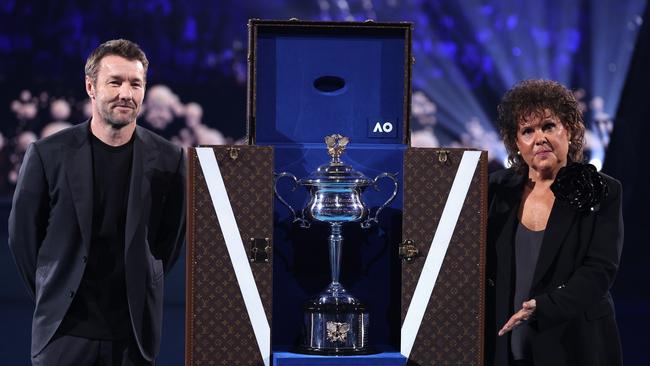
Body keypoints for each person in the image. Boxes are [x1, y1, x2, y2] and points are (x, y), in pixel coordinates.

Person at [8, 39, 186, 365]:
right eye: (115, 82)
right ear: (91, 86)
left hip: (133, 336)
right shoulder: (48, 154)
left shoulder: (170, 159)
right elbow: (23, 240)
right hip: (64, 334)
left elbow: (168, 243)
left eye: (136, 84)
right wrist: (54, 290)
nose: (126, 94)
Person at [486, 79, 623, 366]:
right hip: (506, 344)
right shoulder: (495, 190)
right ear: (516, 142)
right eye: (527, 131)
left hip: (575, 343)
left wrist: (544, 307)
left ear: (569, 130)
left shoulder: (602, 190)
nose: (540, 138)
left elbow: (599, 271)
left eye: (548, 126)